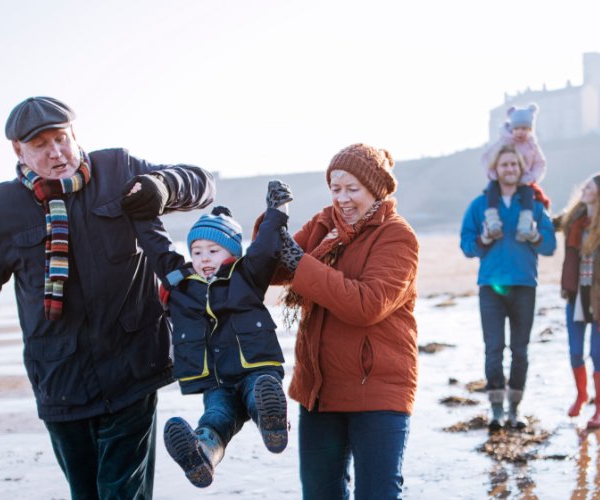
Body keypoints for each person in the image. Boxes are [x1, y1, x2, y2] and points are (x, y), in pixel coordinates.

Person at [0, 96, 214, 500]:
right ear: (18, 150)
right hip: (61, 381)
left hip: (133, 368)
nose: (56, 152)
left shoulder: (118, 170)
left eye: (61, 138)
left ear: (75, 134)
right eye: (40, 145)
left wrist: (163, 185)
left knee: (122, 493)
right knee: (86, 494)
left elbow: (201, 183)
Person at [272, 143, 419, 499]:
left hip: (378, 390)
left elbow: (367, 305)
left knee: (378, 494)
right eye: (336, 189)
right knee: (320, 494)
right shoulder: (324, 224)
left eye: (353, 189)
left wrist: (300, 263)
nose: (343, 199)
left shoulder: (397, 236)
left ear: (376, 190)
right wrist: (272, 224)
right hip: (319, 390)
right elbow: (273, 268)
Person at [136, 182, 296, 489]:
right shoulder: (181, 284)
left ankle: (272, 422)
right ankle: (203, 455)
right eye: (197, 251)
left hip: (255, 369)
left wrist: (278, 209)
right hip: (217, 380)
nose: (204, 257)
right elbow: (157, 248)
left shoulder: (246, 275)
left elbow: (265, 247)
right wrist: (141, 212)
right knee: (217, 418)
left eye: (213, 250)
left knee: (257, 395)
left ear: (232, 252)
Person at [459, 144, 557, 432]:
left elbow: (550, 245)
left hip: (525, 285)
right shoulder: (479, 206)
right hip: (491, 286)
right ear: (495, 170)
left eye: (514, 164)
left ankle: (515, 410)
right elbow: (466, 244)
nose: (510, 169)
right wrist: (484, 240)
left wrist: (536, 235)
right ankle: (496, 411)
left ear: (521, 168)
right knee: (493, 350)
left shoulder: (535, 206)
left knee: (520, 350)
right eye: (504, 165)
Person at [552, 173, 600, 429]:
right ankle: (581, 394)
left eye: (590, 186)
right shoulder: (574, 220)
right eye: (584, 184)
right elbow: (549, 223)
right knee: (575, 352)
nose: (584, 188)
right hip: (576, 296)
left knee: (597, 353)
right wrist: (534, 197)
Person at [477, 103, 550, 243]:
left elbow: (540, 163)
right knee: (491, 190)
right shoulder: (504, 141)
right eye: (517, 128)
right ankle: (492, 221)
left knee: (528, 195)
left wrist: (532, 177)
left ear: (530, 130)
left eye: (525, 129)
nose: (520, 132)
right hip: (500, 181)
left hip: (524, 180)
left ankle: (525, 224)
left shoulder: (532, 145)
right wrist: (493, 174)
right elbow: (489, 156)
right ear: (511, 128)